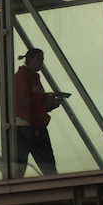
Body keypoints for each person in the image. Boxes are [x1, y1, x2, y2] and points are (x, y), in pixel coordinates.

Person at [11, 48, 64, 177]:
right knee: (45, 164)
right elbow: (25, 99)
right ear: (30, 59)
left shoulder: (32, 78)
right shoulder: (22, 77)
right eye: (39, 59)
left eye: (42, 60)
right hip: (26, 126)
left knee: (40, 163)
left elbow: (32, 103)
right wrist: (46, 97)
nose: (41, 63)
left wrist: (49, 104)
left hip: (33, 125)